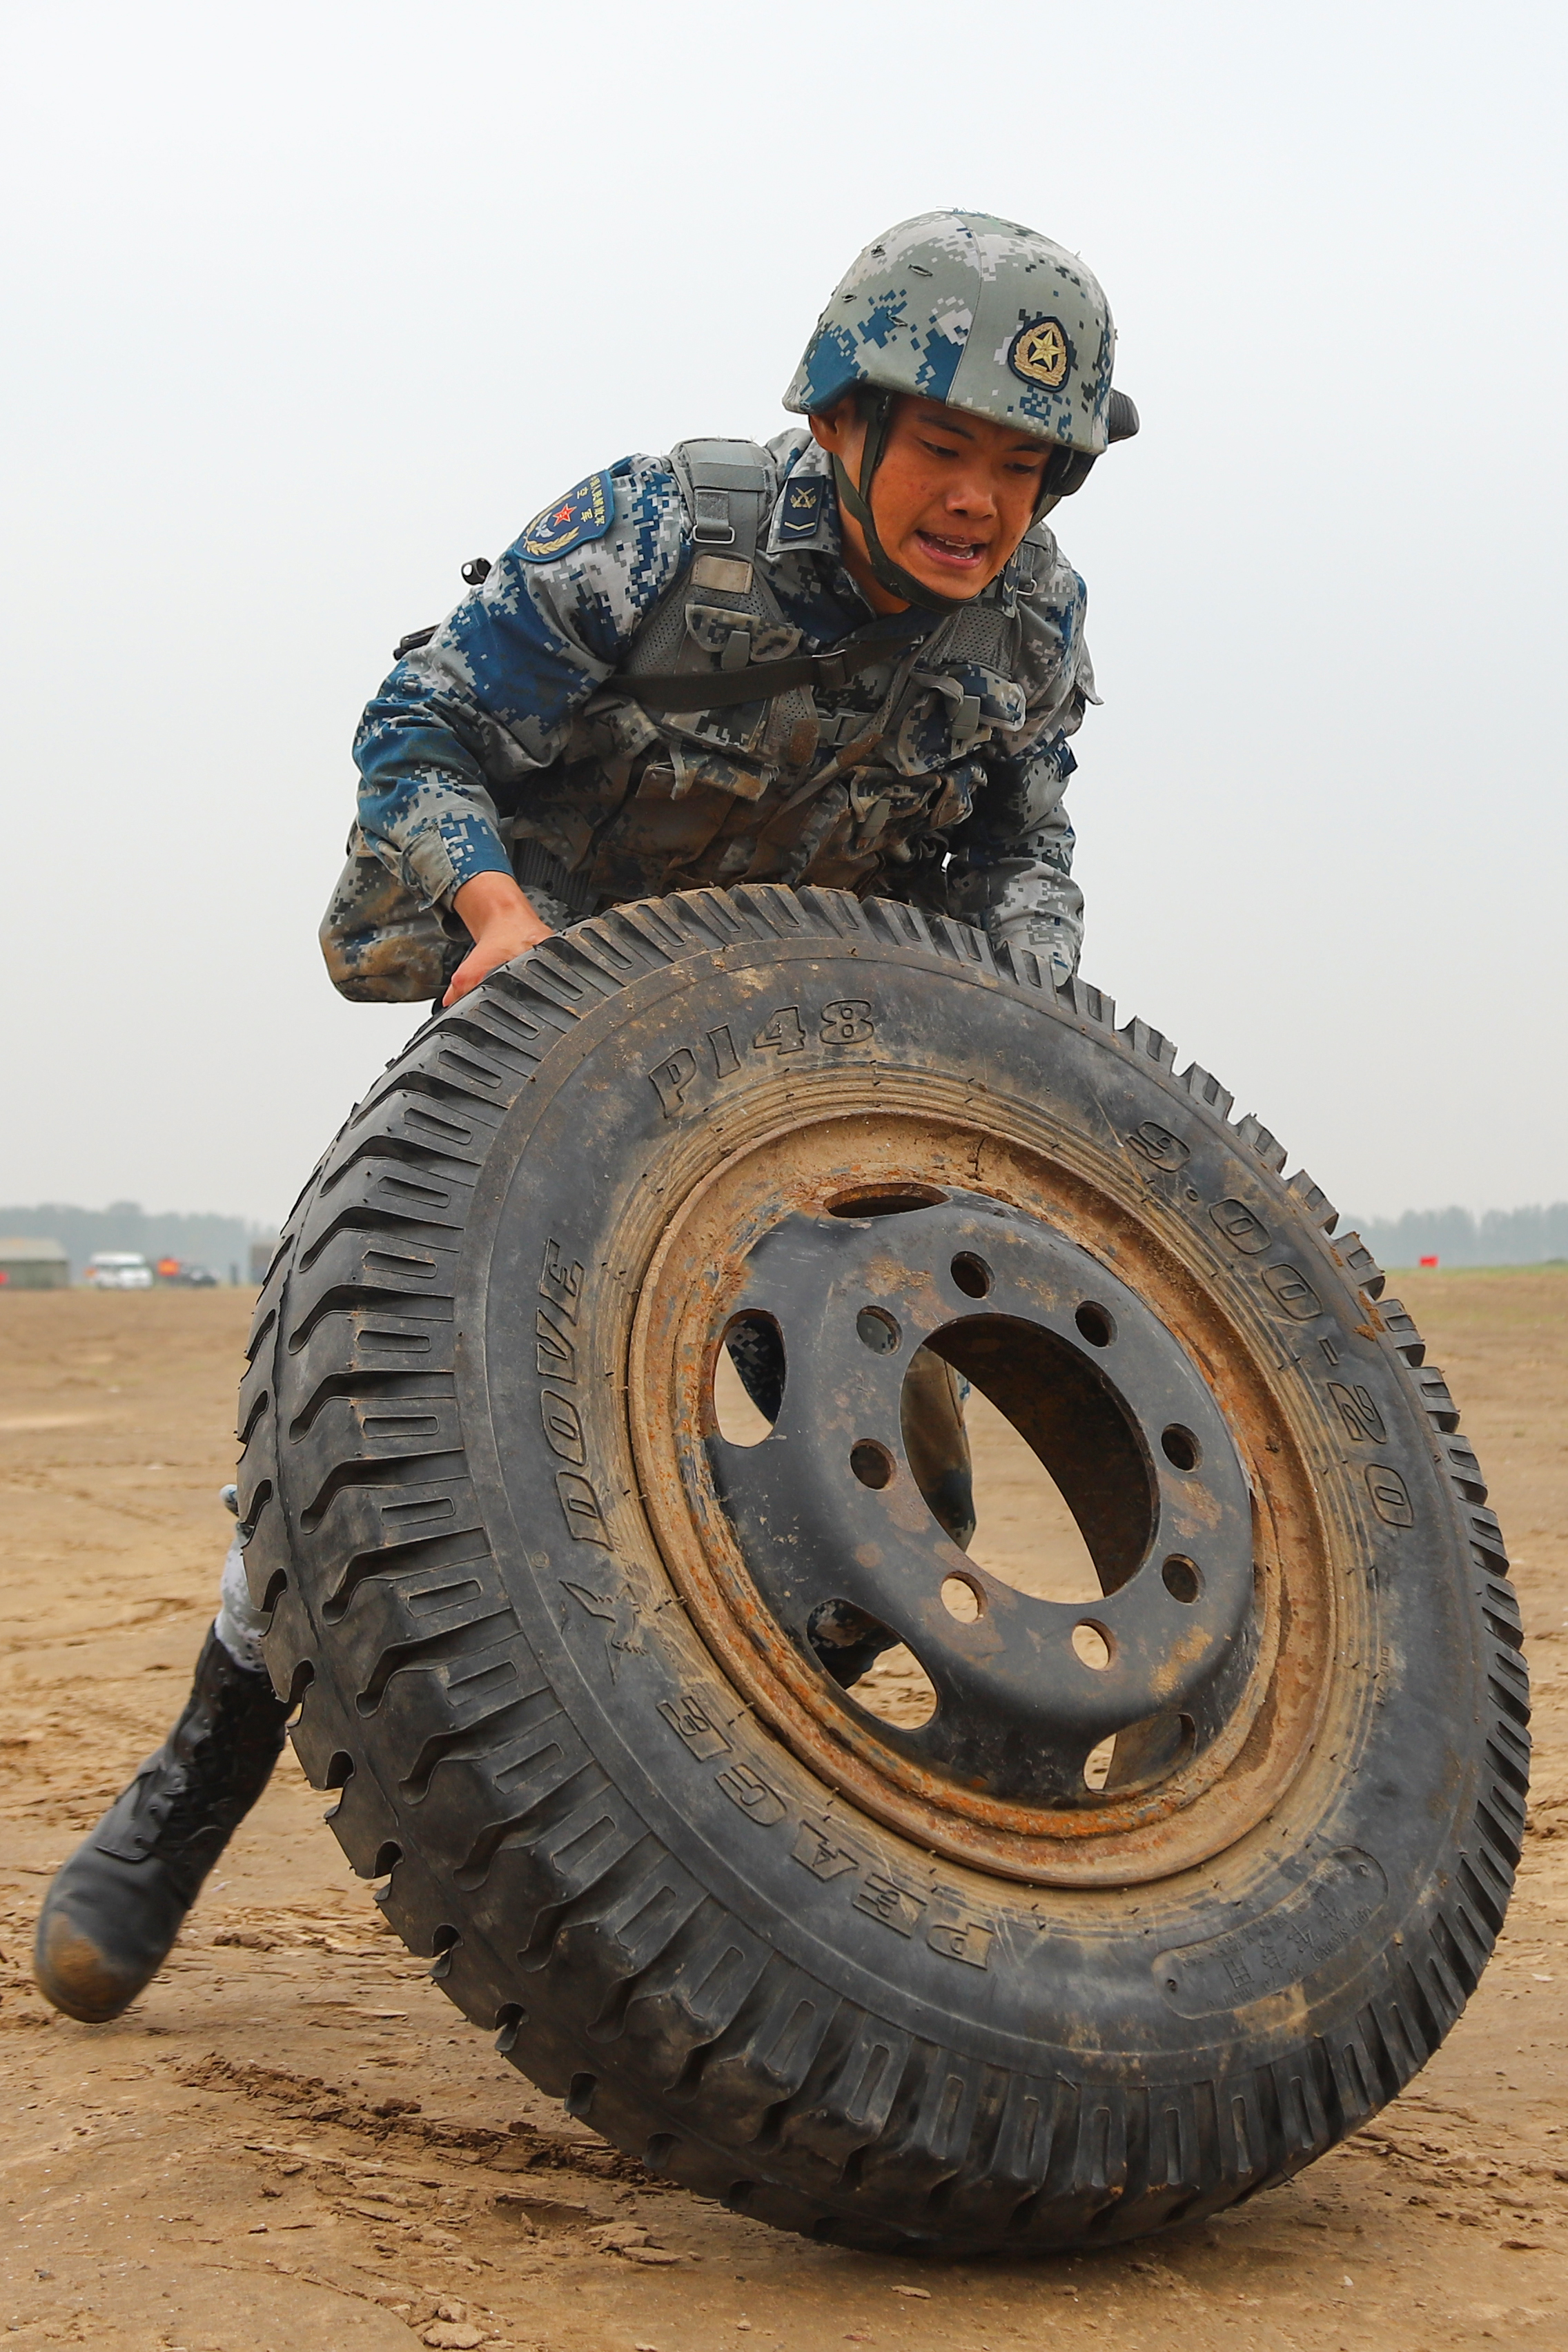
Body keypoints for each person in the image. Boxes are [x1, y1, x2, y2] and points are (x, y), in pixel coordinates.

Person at [35, 208, 1138, 2024]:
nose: (982, 500)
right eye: (944, 446)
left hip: (795, 1076)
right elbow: (422, 725)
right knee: (376, 1419)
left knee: (893, 1477)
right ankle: (187, 1793)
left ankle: (712, 1795)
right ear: (845, 424)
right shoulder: (663, 532)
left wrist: (1030, 1011)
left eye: (1024, 468)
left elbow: (1022, 838)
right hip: (546, 1020)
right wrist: (490, 920)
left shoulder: (1032, 627)